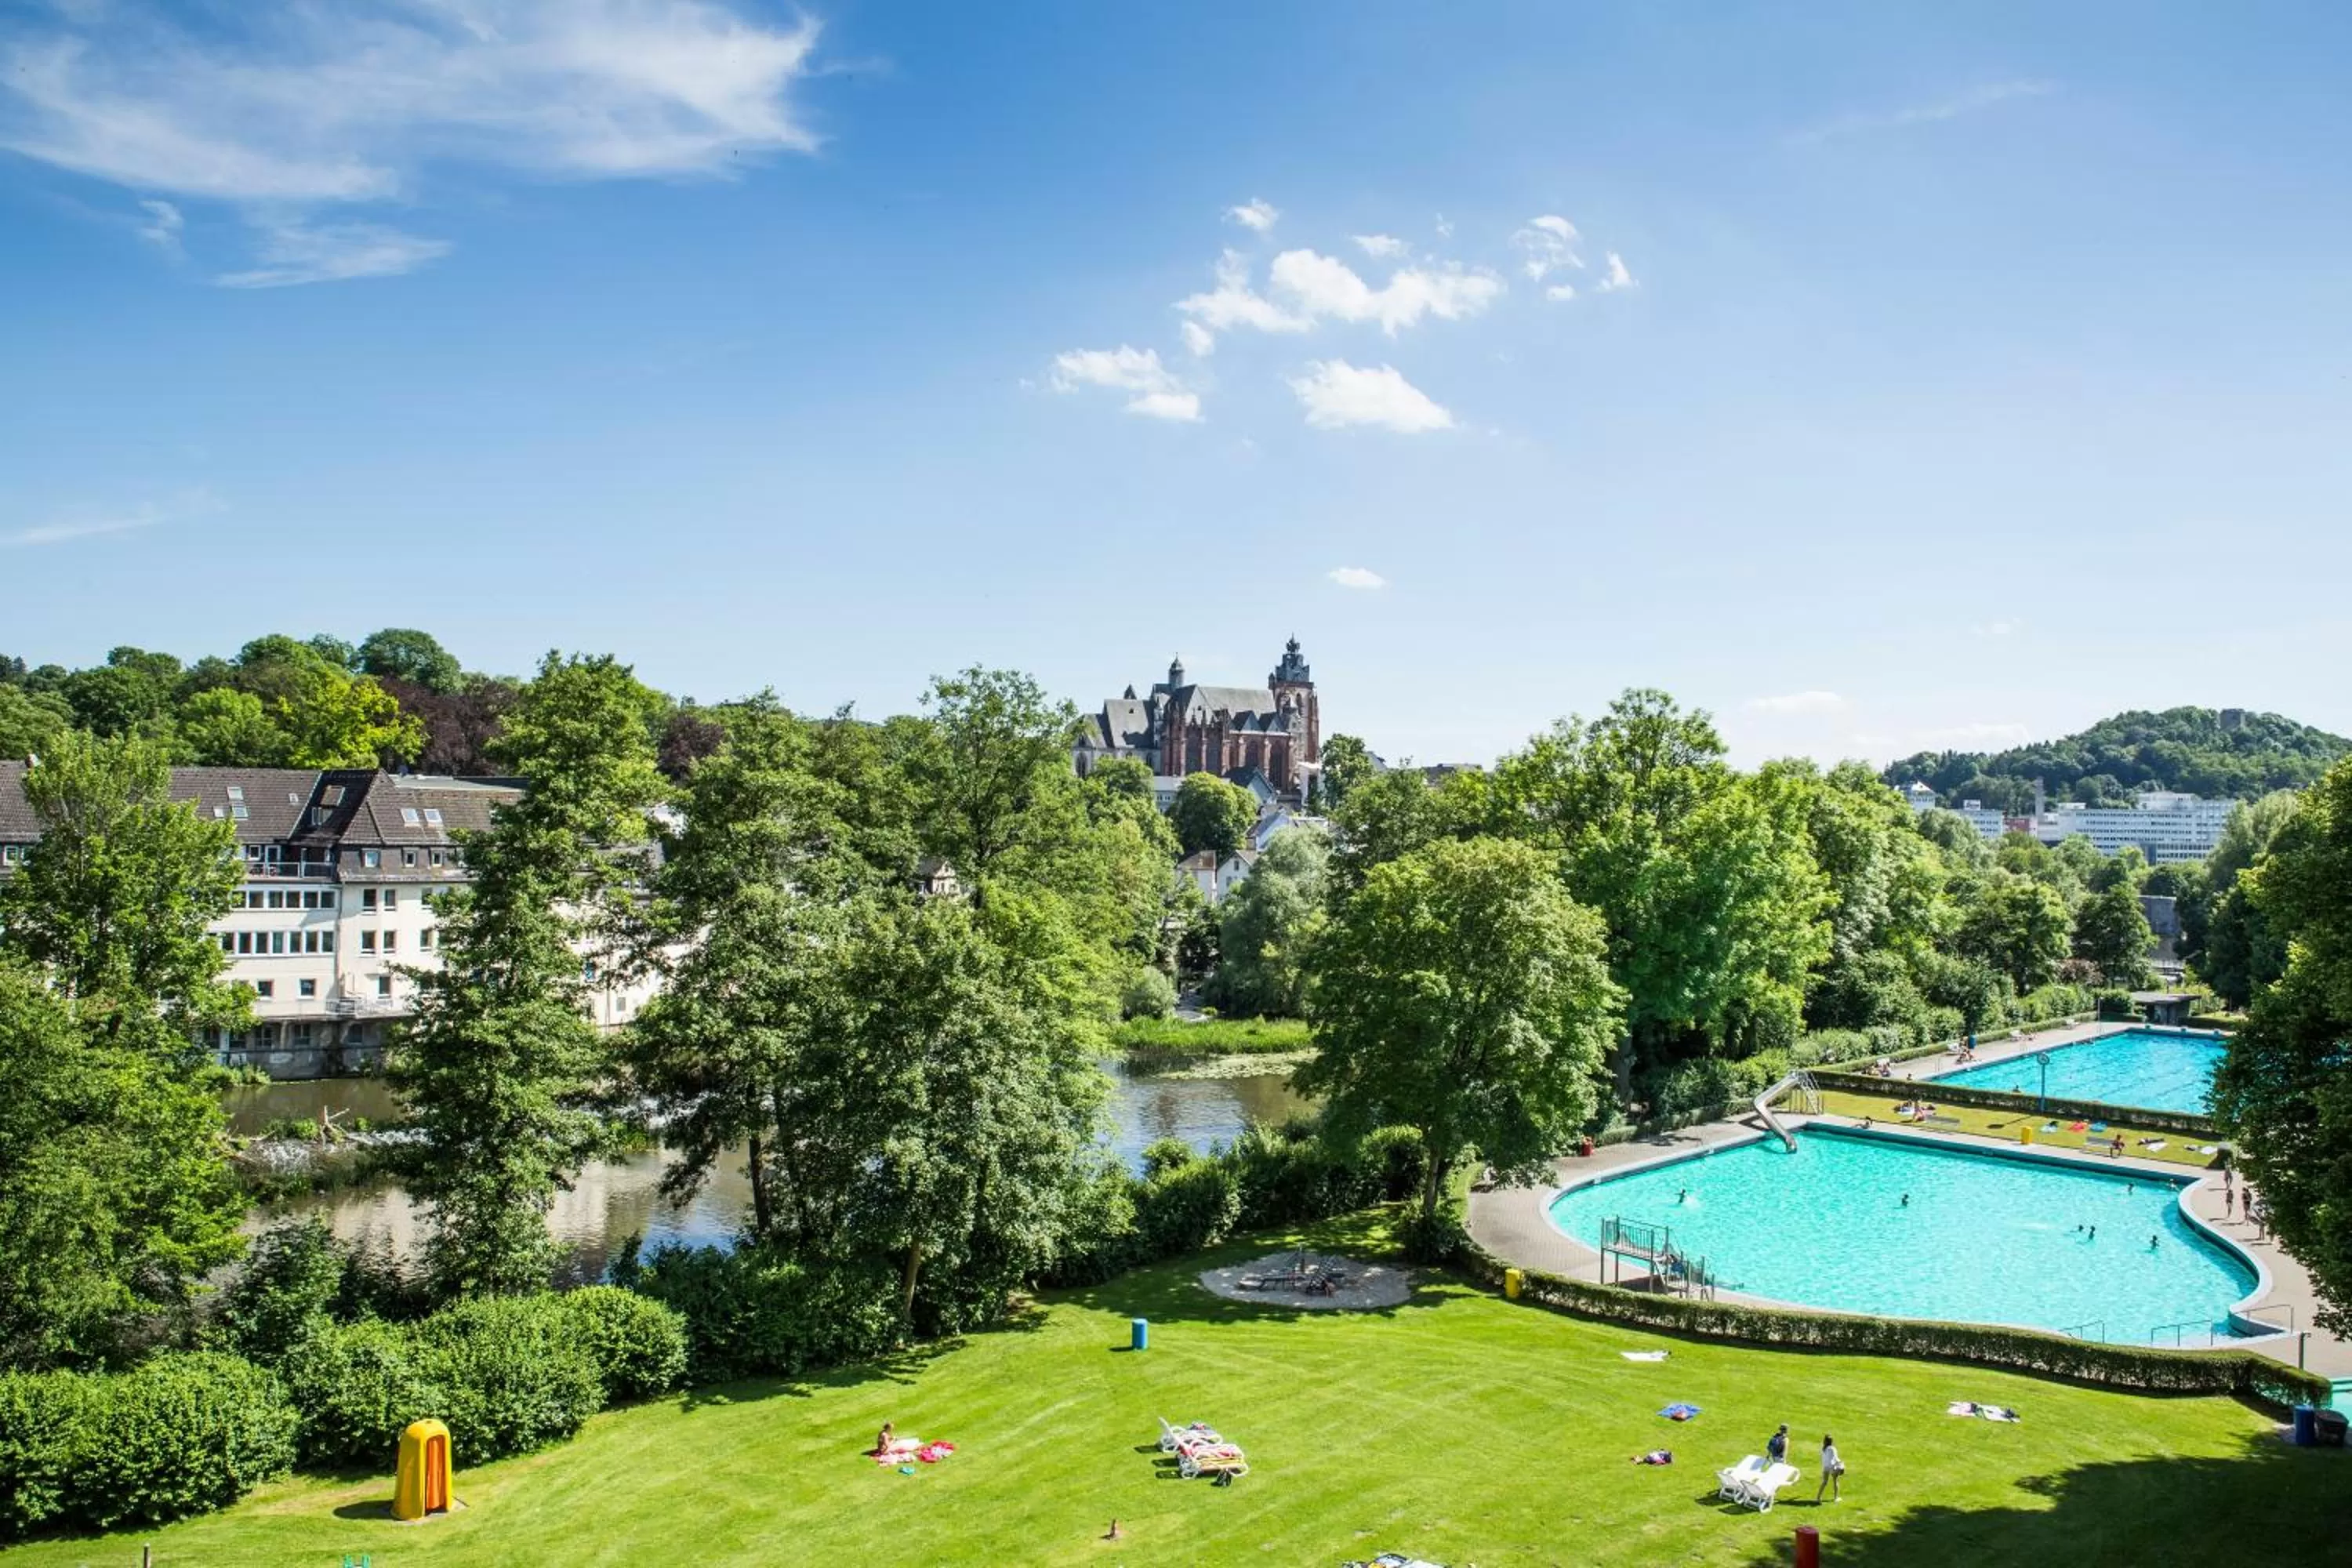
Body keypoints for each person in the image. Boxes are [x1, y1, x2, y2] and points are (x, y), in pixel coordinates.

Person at [1815, 1434, 1843, 1503]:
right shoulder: (1832, 1449)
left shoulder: (1823, 1448)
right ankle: (1836, 1498)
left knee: (1824, 1482)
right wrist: (1841, 1464)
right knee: (1835, 1481)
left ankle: (1818, 1498)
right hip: (1832, 1467)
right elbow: (1835, 1458)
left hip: (1825, 1467)